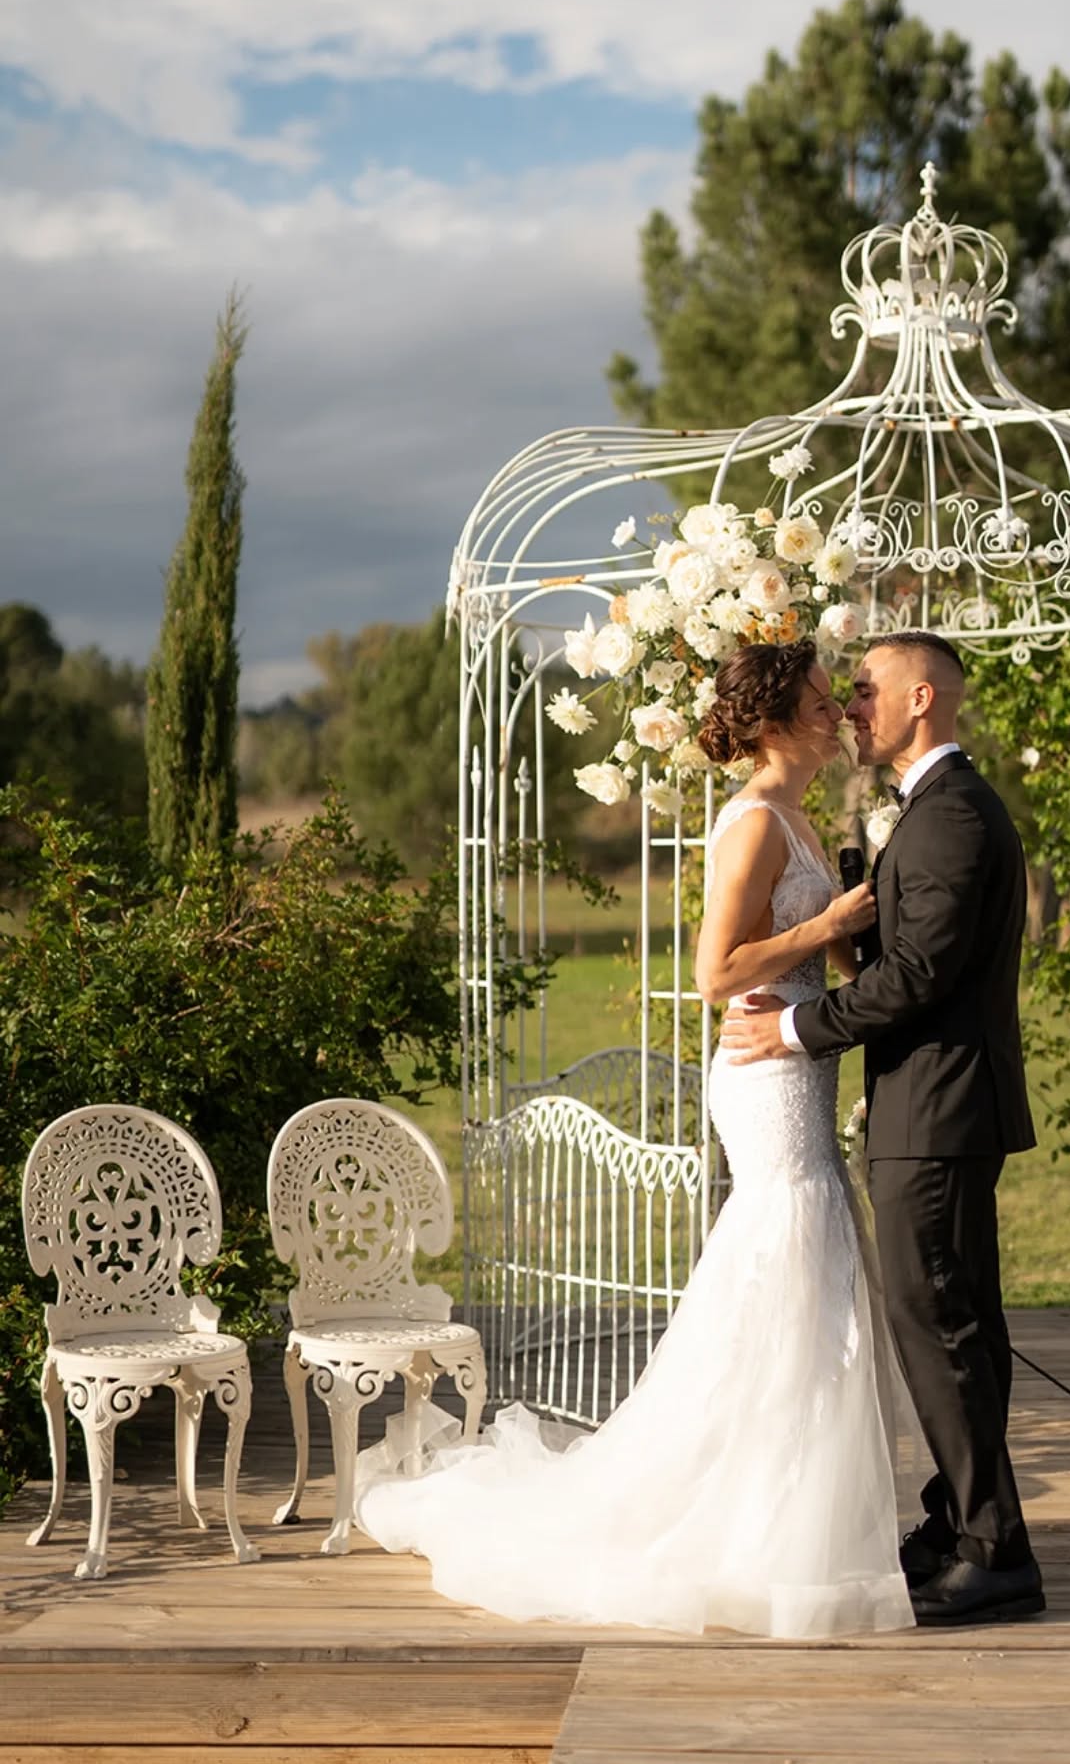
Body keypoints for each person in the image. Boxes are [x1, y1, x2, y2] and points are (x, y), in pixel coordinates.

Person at [355, 639, 914, 1636]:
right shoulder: (751, 823)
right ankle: (757, 1519)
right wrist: (826, 921)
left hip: (798, 1060)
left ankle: (778, 1503)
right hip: (764, 1073)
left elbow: (803, 945)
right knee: (793, 1249)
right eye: (826, 702)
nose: (840, 715)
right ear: (779, 720)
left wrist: (844, 932)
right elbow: (714, 970)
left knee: (803, 1263)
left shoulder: (801, 815)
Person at [721, 630, 1044, 1624]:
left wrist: (793, 1027)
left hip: (939, 1110)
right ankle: (962, 1522)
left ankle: (992, 1550)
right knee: (952, 1322)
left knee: (941, 1323)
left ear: (919, 698)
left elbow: (919, 980)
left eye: (865, 691)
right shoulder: (935, 808)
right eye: (844, 693)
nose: (854, 706)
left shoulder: (951, 815)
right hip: (934, 1105)